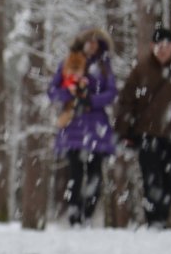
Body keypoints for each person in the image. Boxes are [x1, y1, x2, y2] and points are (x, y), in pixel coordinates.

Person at [114, 26, 171, 228]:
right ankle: (155, 220)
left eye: (166, 45)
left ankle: (162, 216)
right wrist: (124, 131)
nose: (162, 49)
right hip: (147, 133)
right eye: (158, 45)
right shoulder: (140, 71)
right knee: (151, 179)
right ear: (152, 46)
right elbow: (127, 102)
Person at [47, 27, 118, 226]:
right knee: (75, 172)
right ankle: (74, 214)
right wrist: (71, 94)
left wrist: (91, 100)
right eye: (89, 42)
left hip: (97, 127)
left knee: (95, 173)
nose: (92, 46)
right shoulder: (69, 63)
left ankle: (88, 214)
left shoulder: (104, 67)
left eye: (96, 42)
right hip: (73, 125)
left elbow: (111, 93)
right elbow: (53, 90)